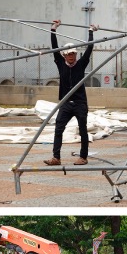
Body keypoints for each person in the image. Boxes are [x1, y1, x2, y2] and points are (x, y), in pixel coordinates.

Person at [44, 21, 98, 167]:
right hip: (65, 103)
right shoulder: (60, 63)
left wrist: (91, 32)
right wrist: (53, 29)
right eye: (68, 54)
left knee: (82, 130)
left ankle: (83, 157)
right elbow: (54, 48)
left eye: (73, 54)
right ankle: (56, 157)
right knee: (58, 128)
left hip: (80, 103)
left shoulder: (81, 64)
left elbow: (89, 48)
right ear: (64, 55)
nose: (71, 56)